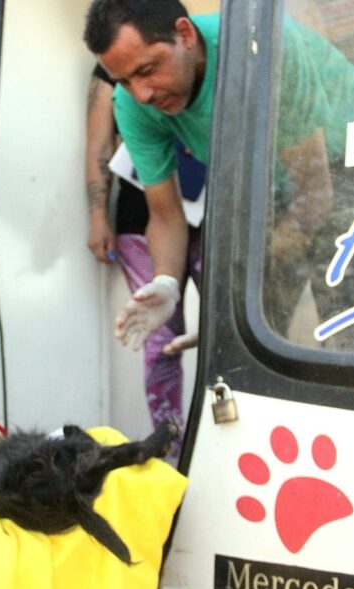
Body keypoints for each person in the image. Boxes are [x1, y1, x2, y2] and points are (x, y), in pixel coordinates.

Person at [83, 0, 354, 349]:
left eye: (148, 70)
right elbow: (164, 214)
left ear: (185, 34)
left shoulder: (262, 51)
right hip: (276, 174)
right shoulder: (132, 104)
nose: (141, 93)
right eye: (125, 81)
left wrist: (235, 311)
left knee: (352, 312)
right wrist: (166, 283)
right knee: (252, 317)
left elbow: (313, 198)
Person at [86, 62, 201, 436]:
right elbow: (100, 145)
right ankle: (170, 446)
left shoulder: (193, 56)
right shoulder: (110, 69)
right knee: (160, 337)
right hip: (143, 216)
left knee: (226, 328)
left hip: (211, 213)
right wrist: (97, 215)